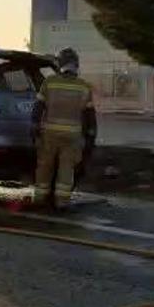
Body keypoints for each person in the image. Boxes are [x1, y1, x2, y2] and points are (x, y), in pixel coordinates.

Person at [32, 48, 97, 210]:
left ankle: (40, 197)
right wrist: (91, 136)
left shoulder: (49, 82)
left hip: (50, 134)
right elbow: (90, 115)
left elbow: (38, 108)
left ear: (60, 64)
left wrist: (34, 127)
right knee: (66, 168)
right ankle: (62, 202)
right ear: (76, 65)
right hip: (72, 136)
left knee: (45, 166)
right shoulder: (84, 87)